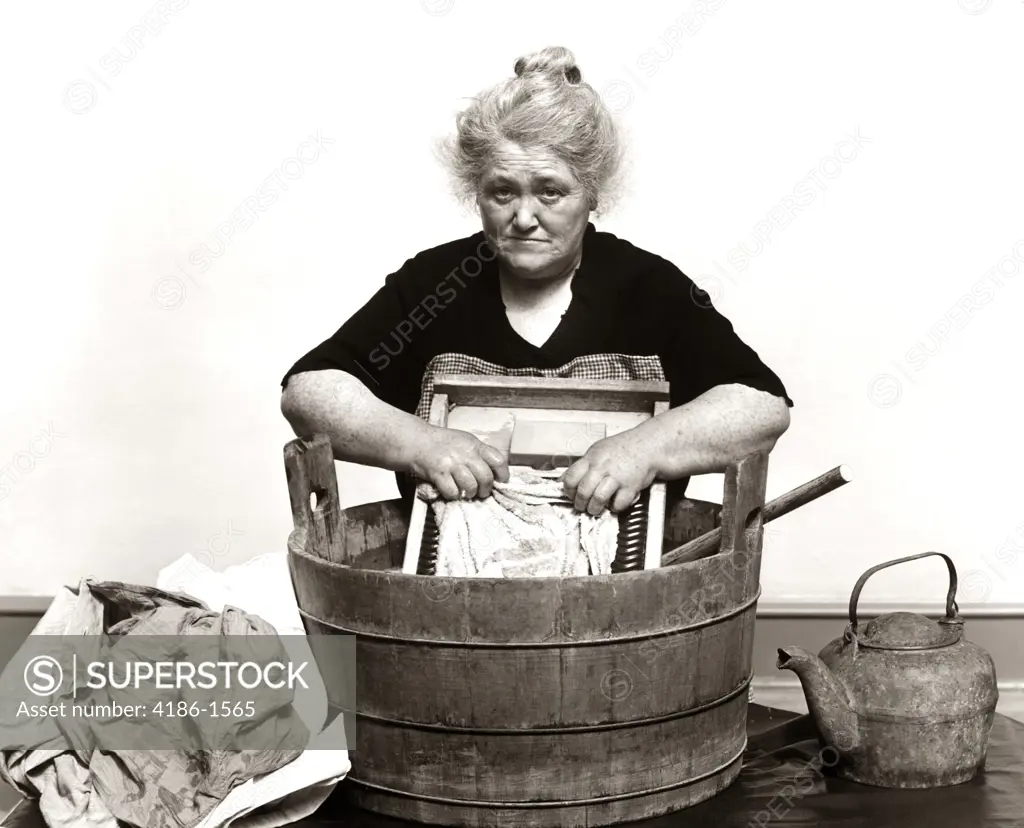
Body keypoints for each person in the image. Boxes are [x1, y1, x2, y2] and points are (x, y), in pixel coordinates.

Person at [280, 46, 792, 518]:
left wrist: (644, 448)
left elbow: (760, 407)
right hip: (452, 592)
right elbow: (309, 392)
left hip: (622, 595)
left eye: (550, 192)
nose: (524, 217)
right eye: (502, 192)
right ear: (474, 194)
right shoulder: (435, 286)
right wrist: (422, 444)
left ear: (593, 194)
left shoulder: (646, 288)